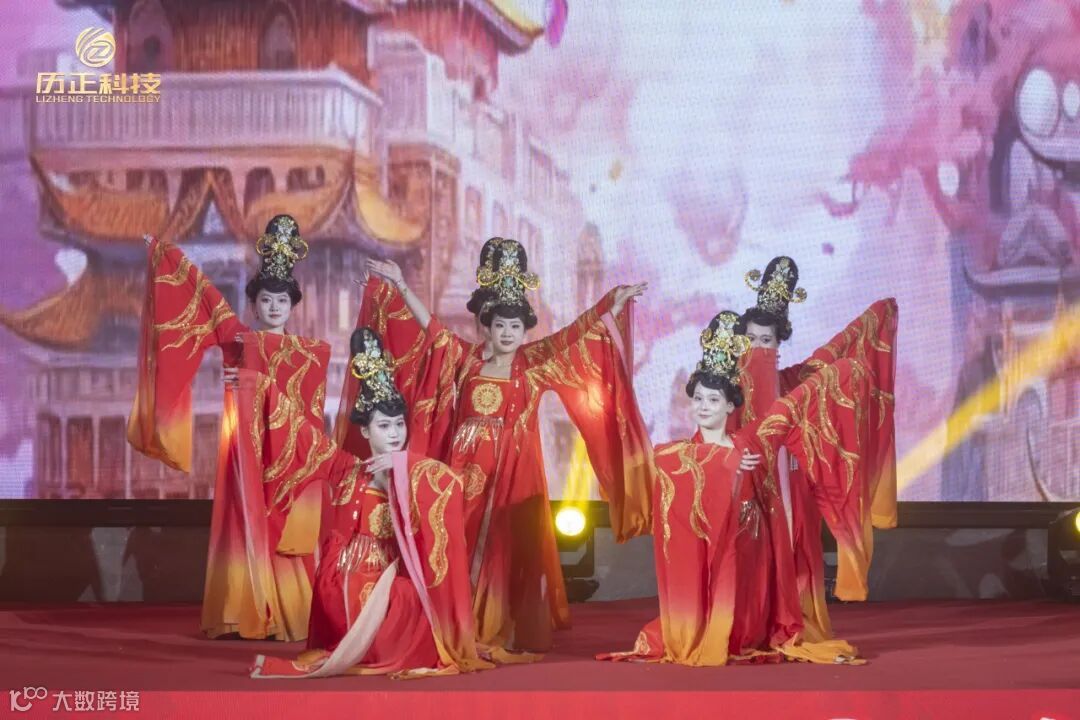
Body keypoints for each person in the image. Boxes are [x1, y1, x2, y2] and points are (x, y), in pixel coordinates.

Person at [359, 238, 654, 654]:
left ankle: (495, 625)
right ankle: (456, 622)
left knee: (504, 550)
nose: (509, 334)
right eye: (501, 326)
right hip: (463, 472)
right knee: (457, 540)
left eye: (516, 327)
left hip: (511, 476)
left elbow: (572, 336)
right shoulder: (466, 361)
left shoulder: (531, 364)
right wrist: (401, 285)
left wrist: (610, 305)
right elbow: (433, 331)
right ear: (487, 325)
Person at [599, 311, 871, 666]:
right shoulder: (679, 453)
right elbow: (667, 464)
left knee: (744, 621)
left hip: (747, 551)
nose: (704, 407)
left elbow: (796, 404)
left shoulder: (749, 442)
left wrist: (852, 367)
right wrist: (723, 464)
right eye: (698, 399)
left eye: (713, 400)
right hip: (708, 550)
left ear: (730, 405)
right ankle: (703, 628)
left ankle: (744, 629)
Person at [244, 328, 492, 678]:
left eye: (399, 425)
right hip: (344, 577)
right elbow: (297, 431)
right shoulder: (345, 467)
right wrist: (253, 386)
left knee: (409, 603)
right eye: (384, 426)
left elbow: (451, 483)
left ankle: (381, 643)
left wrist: (403, 465)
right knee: (363, 599)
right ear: (365, 431)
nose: (394, 434)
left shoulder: (414, 470)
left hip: (391, 573)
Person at [128, 215, 329, 641]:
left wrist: (258, 388)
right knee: (242, 518)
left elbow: (308, 415)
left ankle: (289, 610)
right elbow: (201, 296)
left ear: (293, 306)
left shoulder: (310, 354)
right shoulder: (239, 339)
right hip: (245, 448)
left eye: (281, 300)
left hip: (288, 457)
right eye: (266, 300)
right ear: (253, 304)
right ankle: (243, 611)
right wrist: (163, 254)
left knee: (283, 523)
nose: (273, 307)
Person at [730, 256, 898, 643]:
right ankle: (749, 626)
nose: (758, 347)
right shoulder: (729, 388)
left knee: (795, 553)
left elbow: (842, 353)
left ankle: (793, 622)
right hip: (746, 482)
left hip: (790, 486)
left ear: (779, 343)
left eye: (766, 340)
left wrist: (879, 314)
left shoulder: (796, 381)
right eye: (751, 340)